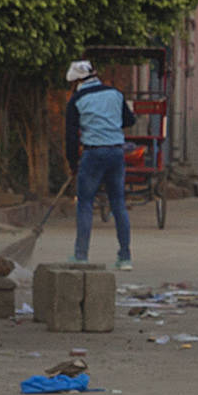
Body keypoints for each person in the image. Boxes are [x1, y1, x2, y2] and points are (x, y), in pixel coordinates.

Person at [63, 60, 132, 270]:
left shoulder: (76, 100)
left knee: (85, 203)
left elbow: (71, 137)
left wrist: (72, 163)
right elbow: (129, 121)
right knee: (118, 203)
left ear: (76, 82)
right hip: (116, 152)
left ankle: (81, 255)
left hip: (93, 154)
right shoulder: (115, 93)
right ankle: (125, 257)